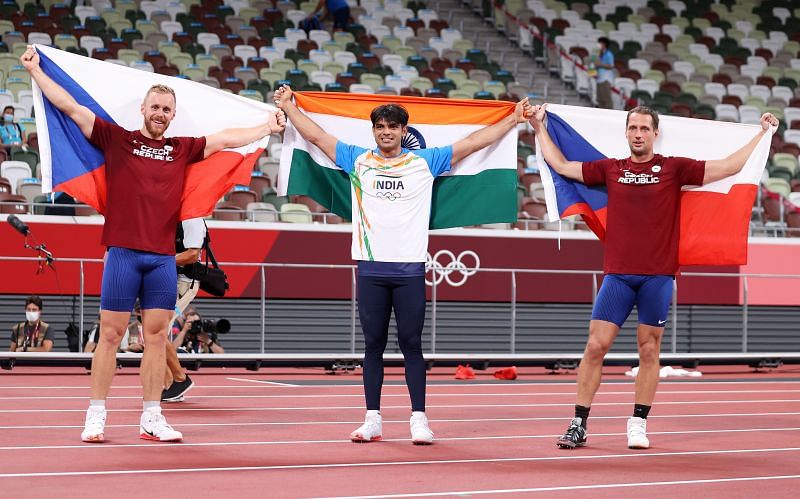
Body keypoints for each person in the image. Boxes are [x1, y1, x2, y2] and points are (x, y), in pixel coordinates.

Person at [20, 44, 285, 443]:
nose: (160, 114)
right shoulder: (116, 139)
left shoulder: (182, 149)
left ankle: (151, 416)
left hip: (162, 259)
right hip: (123, 255)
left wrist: (266, 127)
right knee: (110, 336)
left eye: (166, 109)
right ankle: (96, 414)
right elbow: (72, 108)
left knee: (157, 339)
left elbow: (226, 138)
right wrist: (36, 72)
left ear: (172, 115)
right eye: (155, 107)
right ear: (143, 109)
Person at [274, 84, 532, 444]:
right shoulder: (357, 160)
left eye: (392, 127)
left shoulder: (425, 161)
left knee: (412, 344)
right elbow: (316, 136)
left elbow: (473, 143)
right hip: (371, 268)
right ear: (374, 131)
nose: (386, 132)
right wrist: (289, 106)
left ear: (403, 132)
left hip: (409, 269)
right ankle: (372, 418)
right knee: (372, 346)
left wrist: (513, 120)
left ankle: (418, 419)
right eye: (380, 126)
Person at [529, 104, 778, 450]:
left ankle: (638, 422)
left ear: (654, 133)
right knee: (595, 346)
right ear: (626, 132)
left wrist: (762, 133)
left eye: (645, 128)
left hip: (658, 276)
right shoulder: (611, 168)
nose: (638, 134)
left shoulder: (674, 167)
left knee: (649, 349)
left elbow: (728, 167)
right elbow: (561, 165)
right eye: (633, 128)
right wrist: (538, 126)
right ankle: (578, 423)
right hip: (618, 275)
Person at [160, 218, 206, 403]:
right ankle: (171, 383)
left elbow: (192, 255)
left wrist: (158, 261)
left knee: (156, 332)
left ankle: (179, 379)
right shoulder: (179, 216)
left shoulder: (192, 218)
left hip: (184, 283)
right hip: (172, 278)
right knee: (153, 333)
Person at [593, 37, 615, 109]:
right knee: (600, 99)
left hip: (606, 79)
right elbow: (594, 65)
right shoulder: (598, 54)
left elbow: (611, 66)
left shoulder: (609, 54)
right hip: (599, 79)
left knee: (607, 99)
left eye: (600, 43)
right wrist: (593, 73)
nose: (598, 45)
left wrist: (600, 64)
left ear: (604, 44)